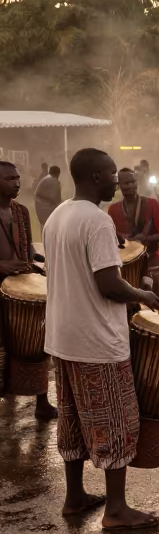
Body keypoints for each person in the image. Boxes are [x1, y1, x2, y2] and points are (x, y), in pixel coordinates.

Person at [43, 148, 159, 530]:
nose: (117, 180)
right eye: (112, 174)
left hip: (63, 338)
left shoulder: (56, 216)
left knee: (74, 420)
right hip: (96, 340)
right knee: (116, 420)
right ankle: (116, 509)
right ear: (96, 177)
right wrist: (143, 295)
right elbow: (108, 283)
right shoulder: (96, 221)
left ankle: (75, 496)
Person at [0, 160, 56, 419]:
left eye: (18, 178)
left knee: (37, 343)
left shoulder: (21, 211)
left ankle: (41, 403)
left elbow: (29, 247)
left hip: (24, 286)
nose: (17, 183)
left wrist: (39, 261)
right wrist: (3, 264)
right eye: (10, 179)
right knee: (5, 345)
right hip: (1, 287)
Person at [107, 169, 159, 297]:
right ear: (119, 185)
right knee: (129, 306)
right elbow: (110, 238)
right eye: (126, 183)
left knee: (154, 303)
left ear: (137, 183)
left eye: (133, 182)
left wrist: (146, 237)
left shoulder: (152, 204)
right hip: (126, 266)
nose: (131, 186)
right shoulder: (113, 209)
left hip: (151, 261)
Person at [34, 165, 62, 230]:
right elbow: (55, 198)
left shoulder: (47, 178)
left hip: (40, 206)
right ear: (57, 173)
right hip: (46, 207)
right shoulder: (52, 180)